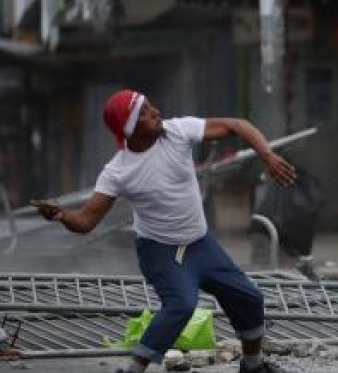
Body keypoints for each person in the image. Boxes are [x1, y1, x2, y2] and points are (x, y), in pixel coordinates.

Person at [34, 90, 296, 373]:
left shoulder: (176, 131)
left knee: (249, 297)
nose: (156, 112)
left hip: (201, 243)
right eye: (144, 112)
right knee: (182, 304)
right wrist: (61, 215)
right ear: (130, 129)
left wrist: (267, 156)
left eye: (151, 106)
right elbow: (86, 221)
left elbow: (236, 125)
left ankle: (253, 365)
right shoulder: (118, 171)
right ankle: (133, 369)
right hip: (161, 251)